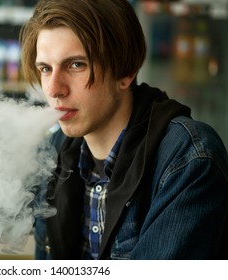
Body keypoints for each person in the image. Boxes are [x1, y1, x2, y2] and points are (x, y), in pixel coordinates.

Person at [20, 0, 228, 259]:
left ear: (125, 72)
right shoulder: (53, 151)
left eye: (76, 65)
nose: (53, 89)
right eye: (46, 69)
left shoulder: (189, 160)